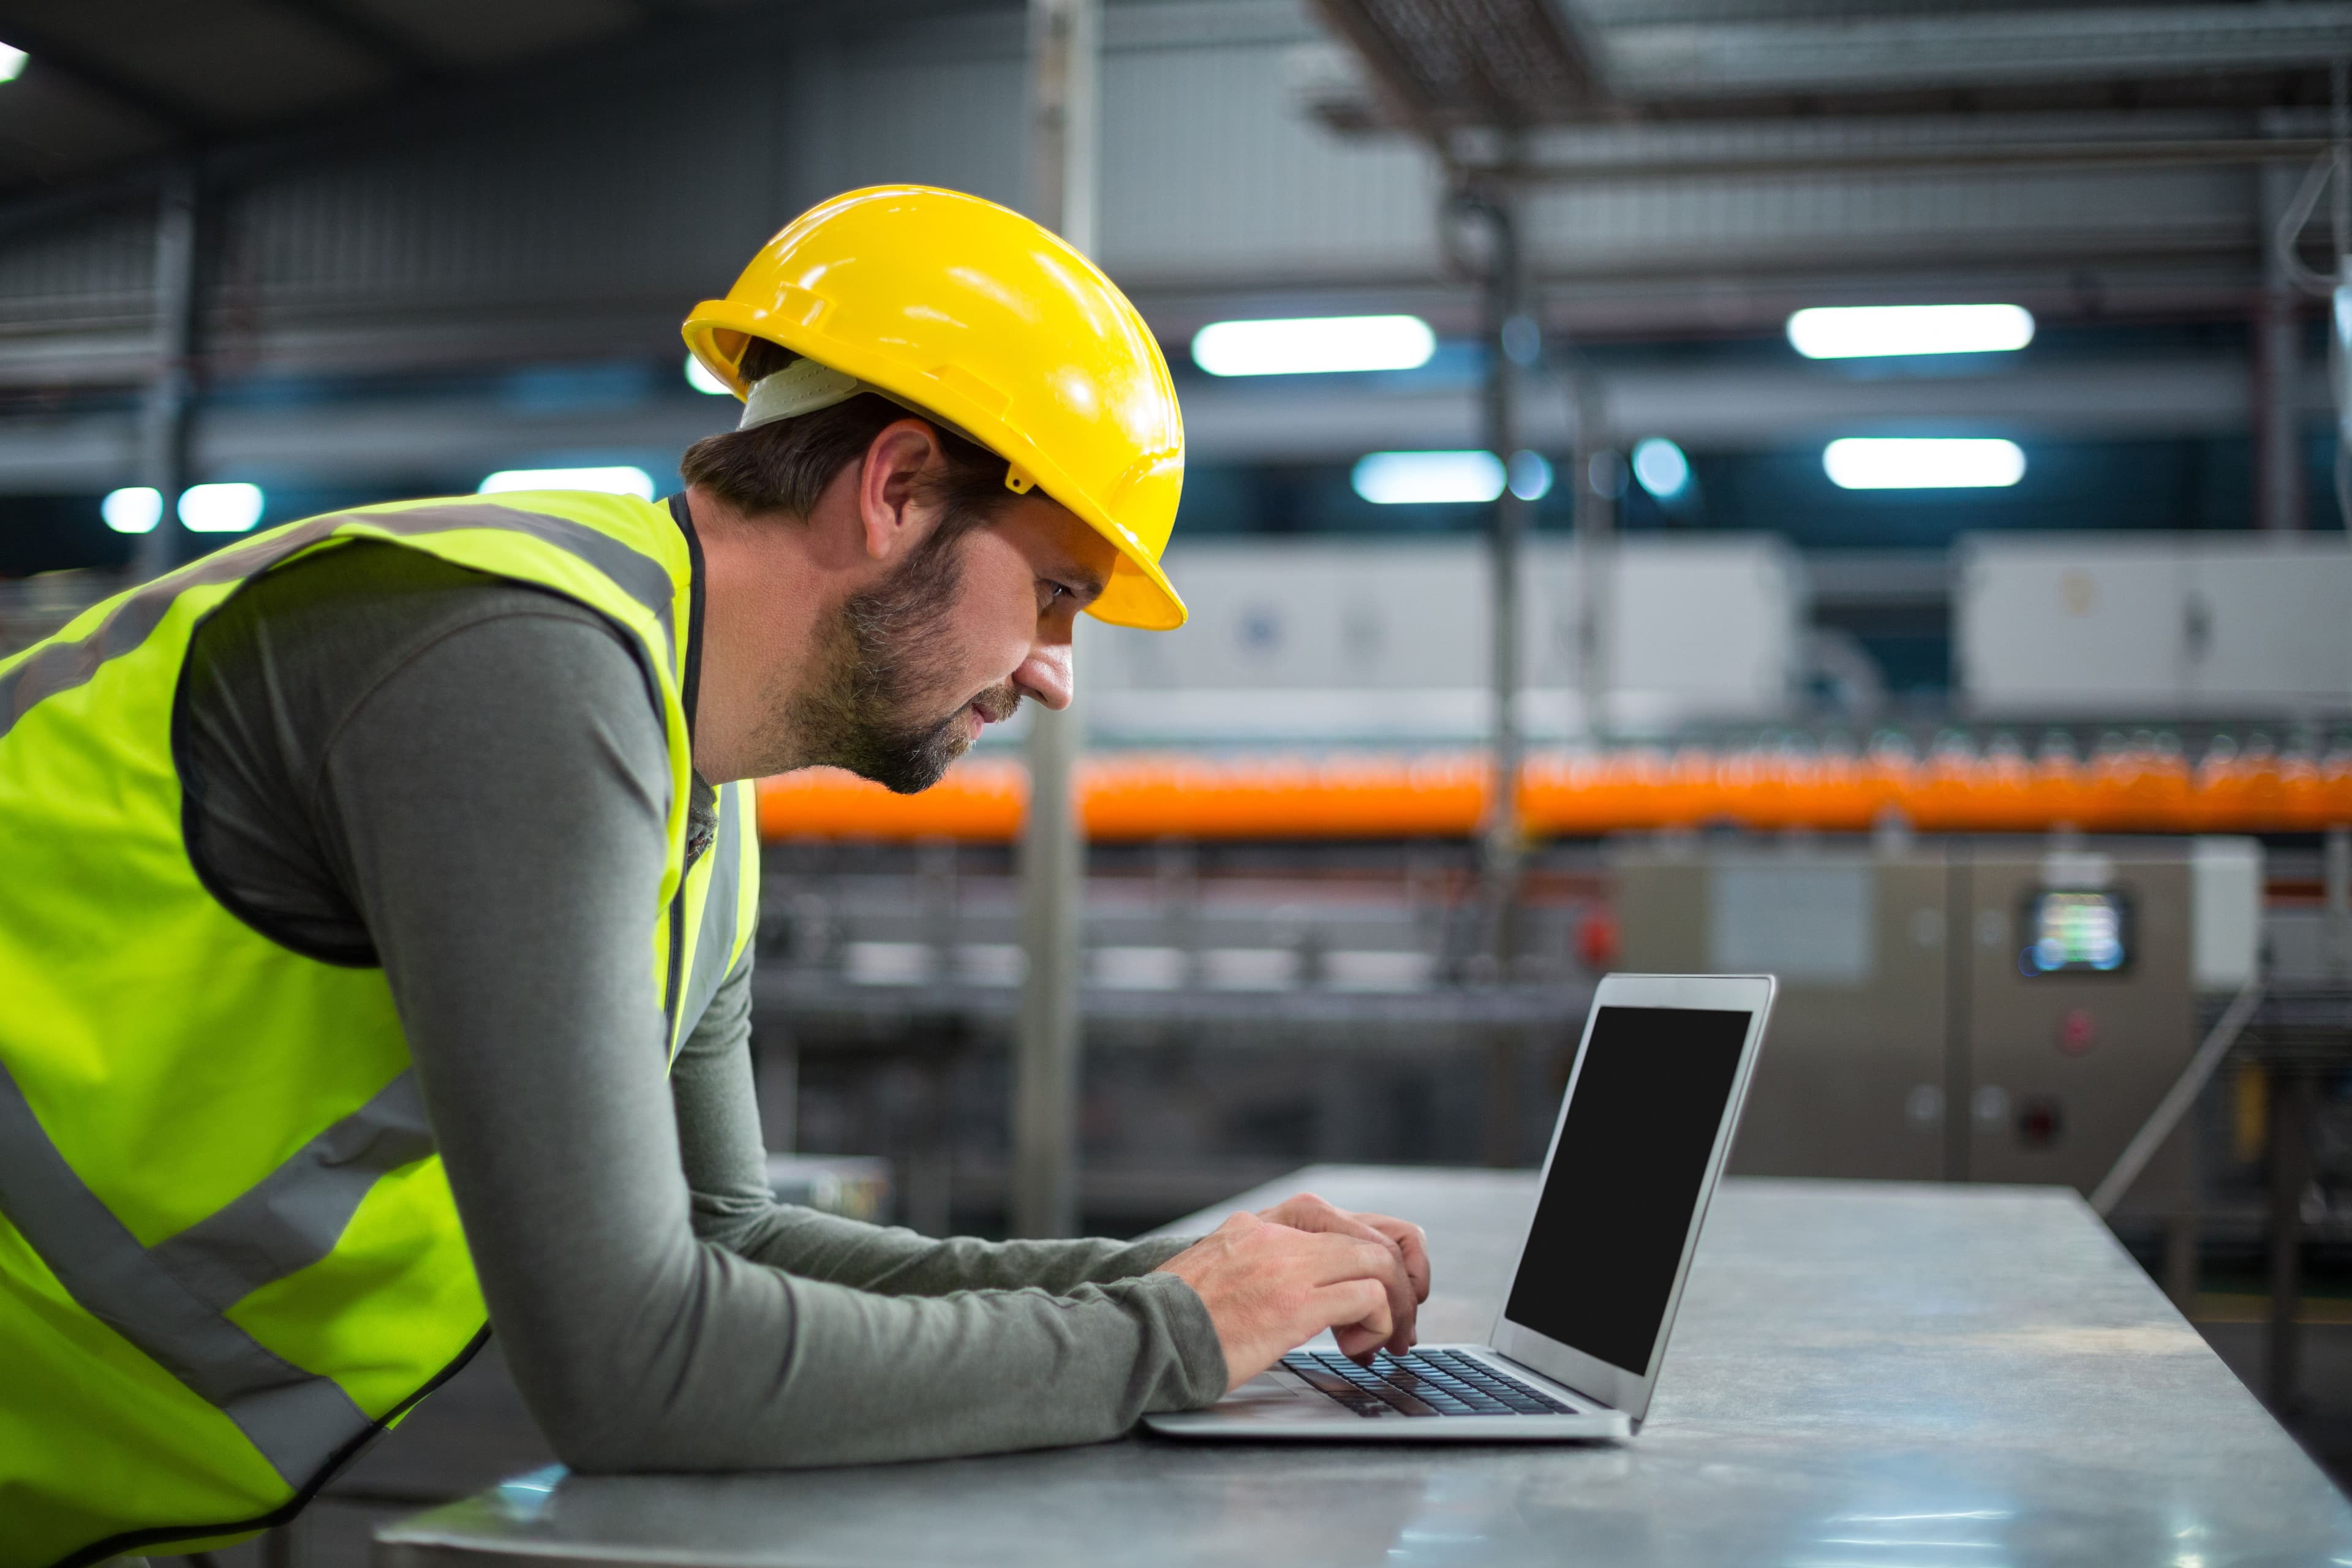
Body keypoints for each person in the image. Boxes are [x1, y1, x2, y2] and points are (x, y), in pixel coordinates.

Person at [0, 185, 1426, 1568]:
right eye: (1056, 590)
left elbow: (726, 1233)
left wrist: (1176, 1276)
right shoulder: (518, 665)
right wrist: (1175, 1338)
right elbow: (637, 1362)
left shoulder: (697, 773)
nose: (1055, 670)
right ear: (898, 486)